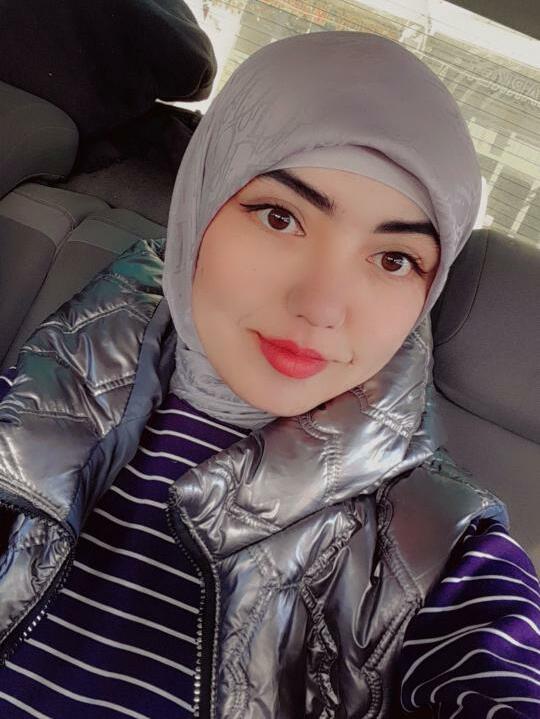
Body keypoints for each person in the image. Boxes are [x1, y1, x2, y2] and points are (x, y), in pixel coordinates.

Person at [0, 30, 538, 719]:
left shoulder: (438, 552)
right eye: (281, 218)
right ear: (200, 204)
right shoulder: (37, 382)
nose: (321, 307)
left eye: (394, 259)